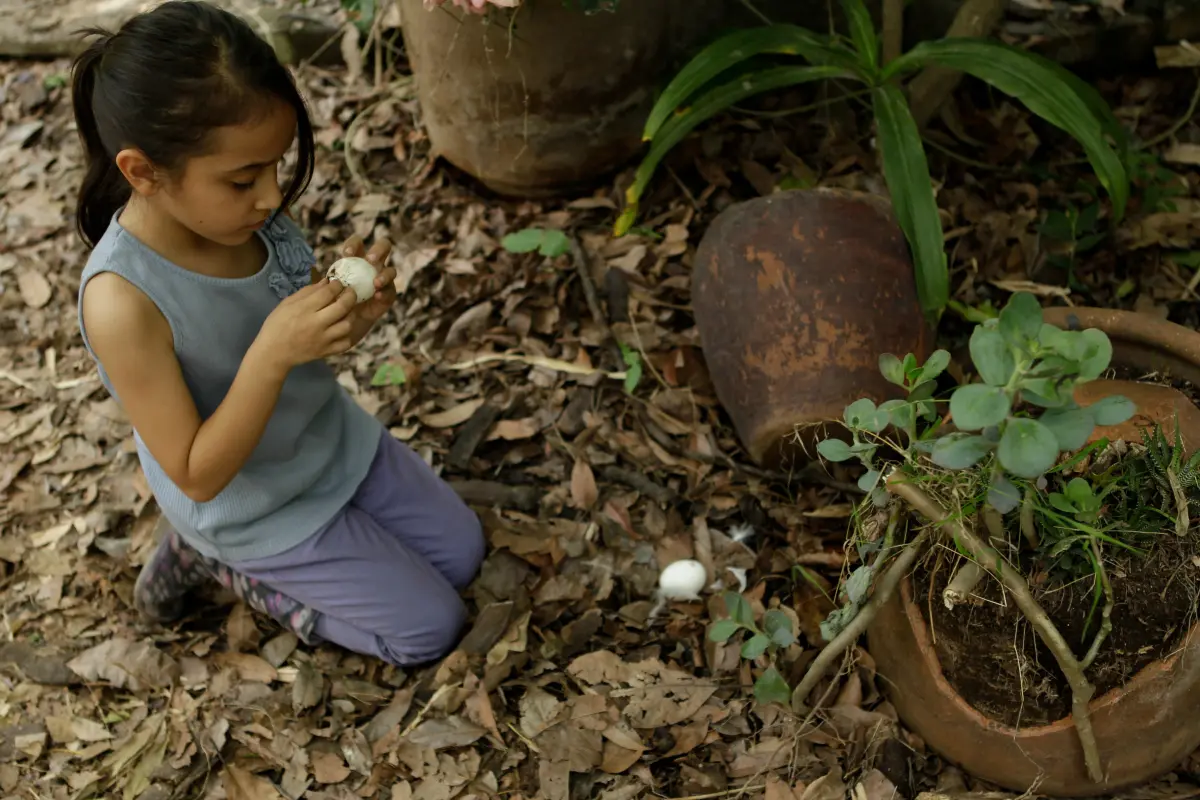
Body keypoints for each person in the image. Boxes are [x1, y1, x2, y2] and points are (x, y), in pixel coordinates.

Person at [70, 0, 486, 667]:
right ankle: (221, 562)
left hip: (327, 441)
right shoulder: (123, 302)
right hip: (250, 505)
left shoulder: (237, 218)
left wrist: (345, 317)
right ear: (143, 172)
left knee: (464, 553)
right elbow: (197, 473)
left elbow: (294, 332)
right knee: (428, 630)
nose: (270, 197)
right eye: (242, 178)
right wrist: (272, 352)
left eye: (275, 166)